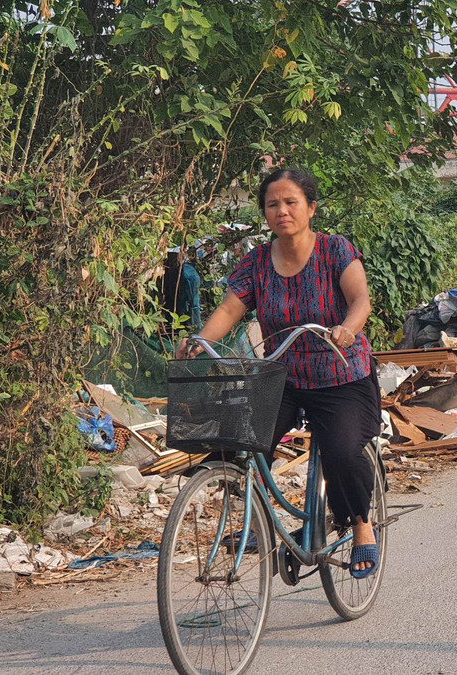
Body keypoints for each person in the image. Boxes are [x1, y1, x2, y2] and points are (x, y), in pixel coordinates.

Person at [175, 167, 381, 578]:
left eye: (291, 202)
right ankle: (261, 521)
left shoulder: (335, 250)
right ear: (265, 213)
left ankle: (360, 525)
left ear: (311, 209)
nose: (282, 210)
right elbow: (230, 309)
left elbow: (360, 299)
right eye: (273, 204)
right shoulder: (255, 263)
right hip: (283, 376)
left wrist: (347, 328)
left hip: (341, 374)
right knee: (242, 441)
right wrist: (201, 340)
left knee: (341, 451)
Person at [159, 247, 203, 332]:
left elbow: (193, 303)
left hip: (184, 306)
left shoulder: (188, 275)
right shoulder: (186, 272)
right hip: (176, 302)